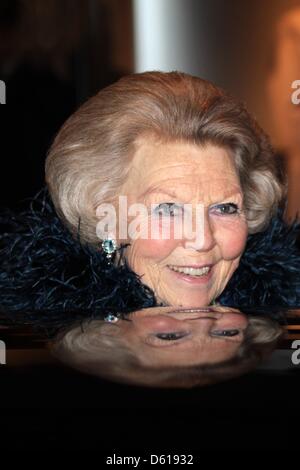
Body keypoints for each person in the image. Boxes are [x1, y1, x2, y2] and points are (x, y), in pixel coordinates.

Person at [0, 71, 299, 387]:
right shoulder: (35, 375)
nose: (203, 239)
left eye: (225, 208)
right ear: (104, 217)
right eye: (168, 209)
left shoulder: (279, 354)